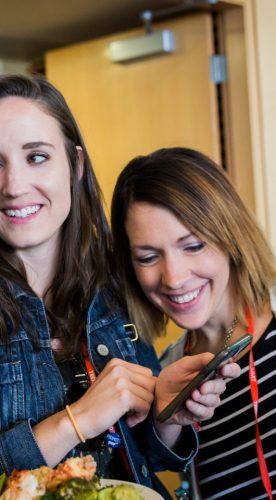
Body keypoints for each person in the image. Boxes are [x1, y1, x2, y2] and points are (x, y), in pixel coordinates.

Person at [0, 75, 238, 499]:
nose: (14, 186)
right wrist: (74, 422)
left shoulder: (114, 281)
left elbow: (145, 454)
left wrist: (166, 415)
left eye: (36, 157)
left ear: (75, 165)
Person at [110, 147, 276, 499]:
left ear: (230, 235)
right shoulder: (168, 375)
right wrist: (166, 425)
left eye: (193, 246)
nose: (173, 278)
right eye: (148, 257)